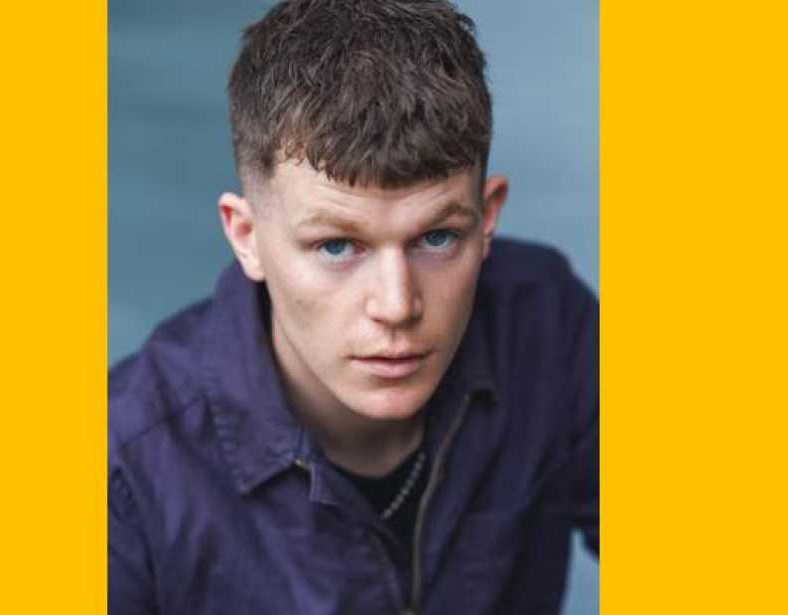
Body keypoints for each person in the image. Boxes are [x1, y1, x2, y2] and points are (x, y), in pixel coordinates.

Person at [108, 1, 599, 613]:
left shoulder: (546, 323)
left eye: (437, 237)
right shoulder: (122, 471)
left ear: (487, 217)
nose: (396, 306)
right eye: (337, 245)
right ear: (246, 236)